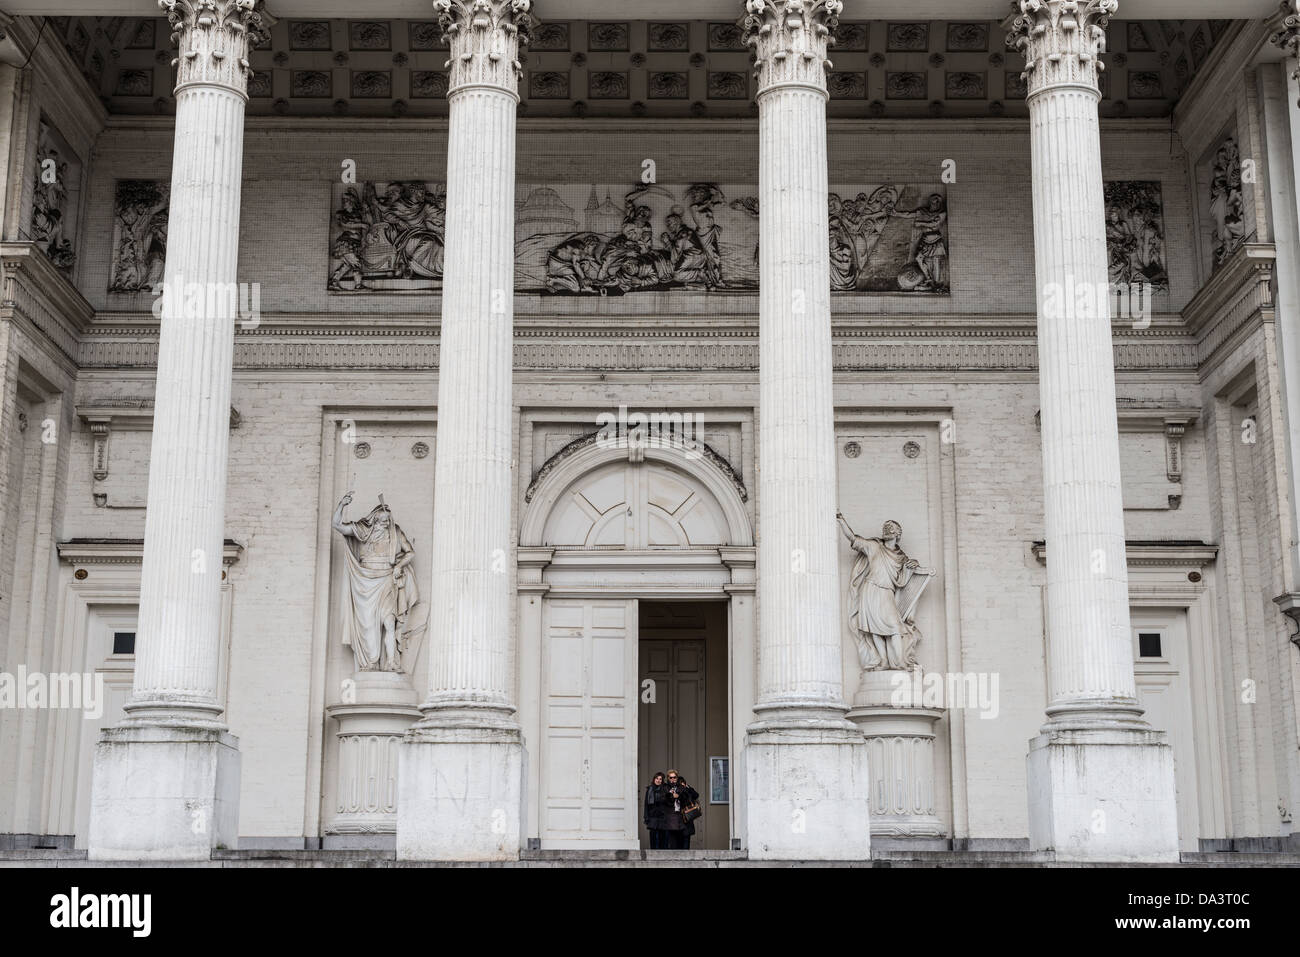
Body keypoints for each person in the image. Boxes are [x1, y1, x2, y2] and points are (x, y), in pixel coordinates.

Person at [659, 768, 699, 850]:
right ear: (668, 778)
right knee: (672, 843)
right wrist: (671, 796)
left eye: (674, 777)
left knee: (682, 843)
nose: (673, 779)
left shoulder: (681, 787)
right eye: (671, 777)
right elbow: (662, 800)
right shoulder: (665, 787)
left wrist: (679, 796)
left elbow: (689, 798)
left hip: (681, 819)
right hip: (670, 819)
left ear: (677, 778)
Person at [644, 772, 667, 849]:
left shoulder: (664, 789)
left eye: (660, 779)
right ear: (654, 779)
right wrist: (646, 817)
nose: (658, 780)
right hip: (653, 816)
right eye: (657, 778)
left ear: (662, 781)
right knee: (653, 836)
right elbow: (646, 805)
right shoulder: (649, 789)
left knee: (662, 837)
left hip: (662, 816)